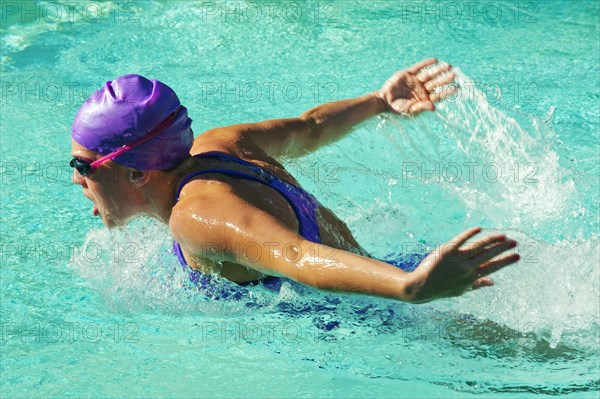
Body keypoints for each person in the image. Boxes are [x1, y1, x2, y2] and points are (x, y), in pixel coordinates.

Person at [70, 58, 520, 304]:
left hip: (375, 319)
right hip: (389, 267)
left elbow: (293, 254)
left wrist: (410, 288)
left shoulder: (195, 217)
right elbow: (309, 128)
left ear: (134, 171)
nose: (76, 180)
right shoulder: (220, 145)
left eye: (82, 166)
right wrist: (378, 101)